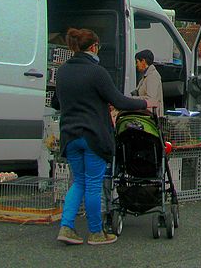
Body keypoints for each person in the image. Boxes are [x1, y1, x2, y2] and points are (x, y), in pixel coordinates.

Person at [52, 28, 155, 246]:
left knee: (78, 182)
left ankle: (66, 227)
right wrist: (146, 103)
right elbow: (120, 101)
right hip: (93, 135)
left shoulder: (62, 72)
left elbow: (56, 103)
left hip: (69, 135)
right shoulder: (97, 72)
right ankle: (97, 233)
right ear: (93, 47)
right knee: (92, 184)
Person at [135, 49, 164, 116]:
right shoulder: (146, 75)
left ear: (143, 61)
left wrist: (133, 99)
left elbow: (150, 99)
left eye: (137, 62)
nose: (136, 65)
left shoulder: (152, 76)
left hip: (151, 116)